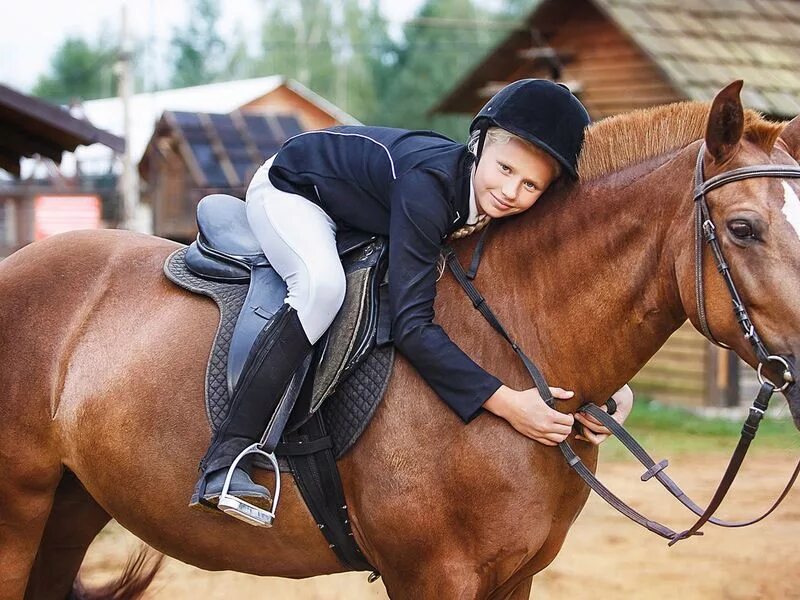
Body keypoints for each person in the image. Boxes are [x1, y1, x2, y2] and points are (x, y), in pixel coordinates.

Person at [190, 79, 634, 518]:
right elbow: (410, 325)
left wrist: (613, 389)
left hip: (361, 204)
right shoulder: (429, 188)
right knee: (321, 289)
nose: (512, 192)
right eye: (505, 169)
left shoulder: (496, 201)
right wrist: (507, 403)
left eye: (531, 185)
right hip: (294, 190)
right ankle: (226, 457)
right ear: (478, 144)